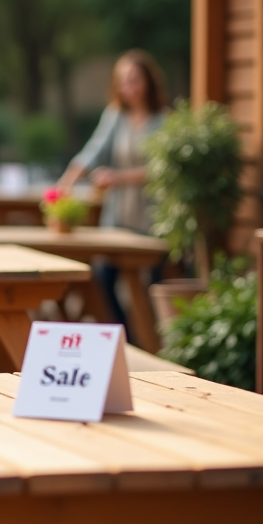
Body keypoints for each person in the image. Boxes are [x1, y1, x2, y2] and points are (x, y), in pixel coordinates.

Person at [57, 49, 168, 333]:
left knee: (151, 284)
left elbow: (161, 169)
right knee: (103, 277)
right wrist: (67, 182)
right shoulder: (116, 115)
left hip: (151, 218)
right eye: (123, 81)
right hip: (117, 217)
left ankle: (154, 340)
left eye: (135, 80)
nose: (129, 87)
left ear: (149, 82)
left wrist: (118, 177)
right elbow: (93, 151)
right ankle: (126, 336)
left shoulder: (164, 121)